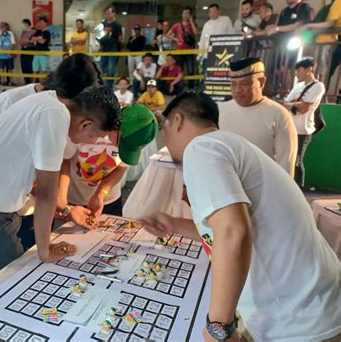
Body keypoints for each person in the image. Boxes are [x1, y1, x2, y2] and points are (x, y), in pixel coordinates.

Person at [142, 91, 341, 342]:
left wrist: (219, 326)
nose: (165, 140)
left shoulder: (201, 148)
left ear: (177, 121)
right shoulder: (232, 145)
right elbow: (236, 228)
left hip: (298, 323)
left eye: (165, 128)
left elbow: (233, 232)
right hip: (316, 310)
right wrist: (173, 224)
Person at [0, 54, 122, 285]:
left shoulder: (48, 102)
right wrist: (45, 249)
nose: (87, 143)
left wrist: (66, 210)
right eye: (94, 137)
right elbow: (48, 192)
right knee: (8, 293)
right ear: (86, 124)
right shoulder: (55, 114)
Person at [58, 104, 157, 224]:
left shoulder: (136, 138)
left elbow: (120, 169)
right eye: (121, 143)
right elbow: (65, 162)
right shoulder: (88, 127)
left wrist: (101, 193)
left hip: (109, 199)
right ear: (116, 127)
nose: (118, 148)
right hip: (75, 198)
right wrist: (61, 199)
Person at [218, 58, 297, 177]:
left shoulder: (279, 115)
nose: (237, 90)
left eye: (244, 83)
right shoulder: (219, 111)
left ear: (261, 82)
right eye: (233, 84)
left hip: (263, 190)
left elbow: (286, 164)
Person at [283, 58, 326, 187]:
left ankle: (299, 191)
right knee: (286, 160)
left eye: (299, 70)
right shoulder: (298, 86)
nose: (296, 73)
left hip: (302, 130)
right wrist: (294, 105)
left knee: (296, 161)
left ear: (309, 70)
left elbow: (303, 108)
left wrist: (292, 105)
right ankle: (287, 188)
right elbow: (287, 105)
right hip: (289, 127)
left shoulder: (318, 86)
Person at [294, 0, 341, 87]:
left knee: (322, 70)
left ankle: (320, 94)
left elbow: (329, 23)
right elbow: (320, 18)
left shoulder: (339, 1)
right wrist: (323, 1)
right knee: (319, 69)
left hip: (327, 40)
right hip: (321, 40)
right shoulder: (335, 1)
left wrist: (308, 25)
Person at [168, 7, 199, 90]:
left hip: (190, 51)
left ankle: (191, 89)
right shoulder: (177, 25)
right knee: (179, 71)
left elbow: (196, 33)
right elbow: (168, 34)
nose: (185, 15)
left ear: (190, 15)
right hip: (179, 52)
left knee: (190, 71)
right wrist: (175, 39)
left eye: (187, 13)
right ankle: (179, 89)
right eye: (184, 13)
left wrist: (191, 21)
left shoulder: (193, 24)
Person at [199, 4, 234, 72]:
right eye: (210, 12)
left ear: (218, 11)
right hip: (208, 54)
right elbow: (203, 40)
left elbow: (231, 35)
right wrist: (200, 55)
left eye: (214, 11)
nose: (212, 14)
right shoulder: (207, 24)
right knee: (206, 74)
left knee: (220, 74)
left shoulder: (226, 20)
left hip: (223, 54)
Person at [99, 6, 123, 89]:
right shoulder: (105, 23)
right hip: (105, 49)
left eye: (109, 13)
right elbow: (103, 35)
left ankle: (109, 88)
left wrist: (117, 45)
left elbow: (120, 38)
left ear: (113, 13)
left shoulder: (117, 25)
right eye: (106, 14)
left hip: (113, 49)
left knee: (111, 70)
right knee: (100, 68)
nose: (107, 15)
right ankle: (101, 86)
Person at [0, 22, 16, 86]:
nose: (2, 28)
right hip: (2, 55)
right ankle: (3, 81)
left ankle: (9, 81)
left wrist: (8, 51)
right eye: (1, 26)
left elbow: (13, 43)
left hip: (9, 54)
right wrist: (4, 51)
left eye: (3, 26)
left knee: (9, 69)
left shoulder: (10, 33)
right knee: (1, 68)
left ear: (6, 26)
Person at [19, 18, 36, 85]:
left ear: (27, 24)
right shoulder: (23, 32)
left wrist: (27, 41)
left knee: (30, 66)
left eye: (23, 24)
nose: (22, 26)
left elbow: (34, 41)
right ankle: (26, 81)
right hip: (23, 50)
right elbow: (20, 41)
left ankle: (32, 82)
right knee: (24, 66)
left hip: (30, 50)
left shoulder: (34, 31)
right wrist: (24, 41)